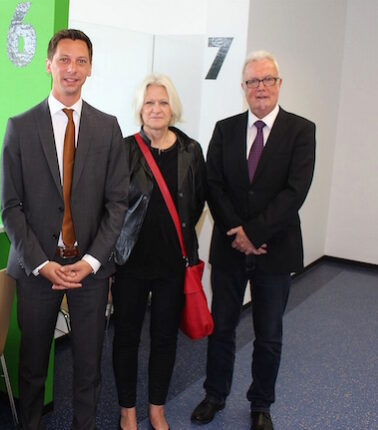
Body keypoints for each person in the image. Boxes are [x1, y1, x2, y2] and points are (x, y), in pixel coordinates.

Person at [0, 28, 129, 430]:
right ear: (49, 65)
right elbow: (10, 207)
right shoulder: (20, 127)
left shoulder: (108, 129)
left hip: (90, 269)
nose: (72, 69)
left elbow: (117, 204)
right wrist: (40, 263)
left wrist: (91, 261)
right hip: (37, 270)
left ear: (90, 68)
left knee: (88, 368)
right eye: (64, 60)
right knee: (33, 367)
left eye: (81, 61)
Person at [190, 51, 316, 430]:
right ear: (243, 88)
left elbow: (296, 191)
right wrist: (239, 233)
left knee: (269, 334)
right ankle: (214, 394)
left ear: (279, 84)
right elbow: (213, 184)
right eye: (252, 81)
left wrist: (256, 233)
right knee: (222, 327)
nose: (260, 88)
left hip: (275, 250)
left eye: (267, 80)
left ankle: (261, 403)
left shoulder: (301, 130)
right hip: (230, 249)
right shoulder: (225, 128)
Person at [112, 74, 206, 430]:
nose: (156, 109)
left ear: (173, 109)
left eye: (163, 102)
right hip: (130, 265)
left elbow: (196, 205)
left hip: (172, 267)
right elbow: (113, 207)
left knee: (165, 339)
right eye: (149, 102)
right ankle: (127, 411)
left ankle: (156, 408)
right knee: (126, 338)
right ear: (140, 108)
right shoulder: (123, 149)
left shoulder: (191, 150)